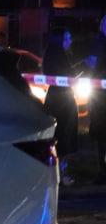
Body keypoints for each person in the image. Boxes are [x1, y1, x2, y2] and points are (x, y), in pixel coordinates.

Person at [42, 27, 78, 186]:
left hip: (56, 98)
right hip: (63, 101)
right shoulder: (59, 56)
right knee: (63, 137)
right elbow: (69, 75)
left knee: (58, 136)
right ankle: (62, 174)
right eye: (67, 38)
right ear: (59, 40)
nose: (70, 41)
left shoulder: (54, 55)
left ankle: (56, 174)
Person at [86, 14, 106, 183]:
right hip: (100, 97)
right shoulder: (99, 43)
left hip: (100, 96)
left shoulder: (99, 43)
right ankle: (102, 170)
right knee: (102, 135)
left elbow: (92, 63)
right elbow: (93, 63)